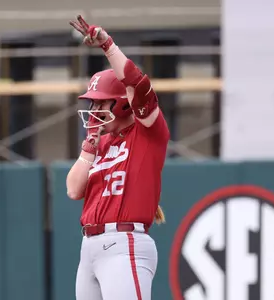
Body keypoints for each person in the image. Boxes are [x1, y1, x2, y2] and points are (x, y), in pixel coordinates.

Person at [66, 15, 170, 300]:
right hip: (89, 246)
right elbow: (73, 189)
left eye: (101, 100)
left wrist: (107, 45)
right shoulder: (99, 143)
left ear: (123, 103)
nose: (95, 107)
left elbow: (137, 83)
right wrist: (90, 144)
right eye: (93, 102)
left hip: (126, 243)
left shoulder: (147, 132)